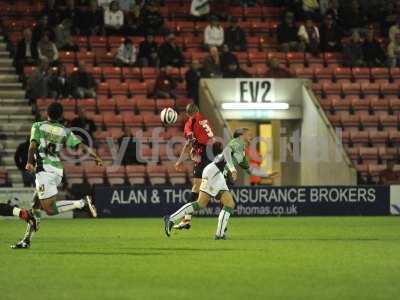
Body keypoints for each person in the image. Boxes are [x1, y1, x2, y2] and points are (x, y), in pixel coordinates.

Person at [12, 102, 102, 249]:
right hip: (56, 170)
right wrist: (95, 156)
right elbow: (81, 146)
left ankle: (82, 203)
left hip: (44, 171)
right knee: (35, 205)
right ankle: (26, 240)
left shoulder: (38, 126)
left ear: (47, 113)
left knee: (50, 209)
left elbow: (32, 145)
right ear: (60, 116)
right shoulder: (64, 131)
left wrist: (29, 162)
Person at [164, 128, 264, 239]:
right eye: (248, 134)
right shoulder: (237, 142)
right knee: (206, 203)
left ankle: (219, 234)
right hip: (214, 172)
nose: (251, 137)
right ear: (241, 136)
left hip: (217, 174)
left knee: (222, 203)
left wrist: (268, 175)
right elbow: (226, 153)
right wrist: (232, 169)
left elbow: (250, 170)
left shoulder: (242, 152)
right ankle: (172, 219)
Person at [172, 104, 216, 230]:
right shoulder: (205, 119)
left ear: (187, 114)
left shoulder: (190, 123)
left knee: (198, 187)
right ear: (198, 110)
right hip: (215, 153)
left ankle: (186, 219)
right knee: (213, 187)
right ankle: (187, 220)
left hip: (204, 154)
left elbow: (189, 143)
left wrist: (179, 161)